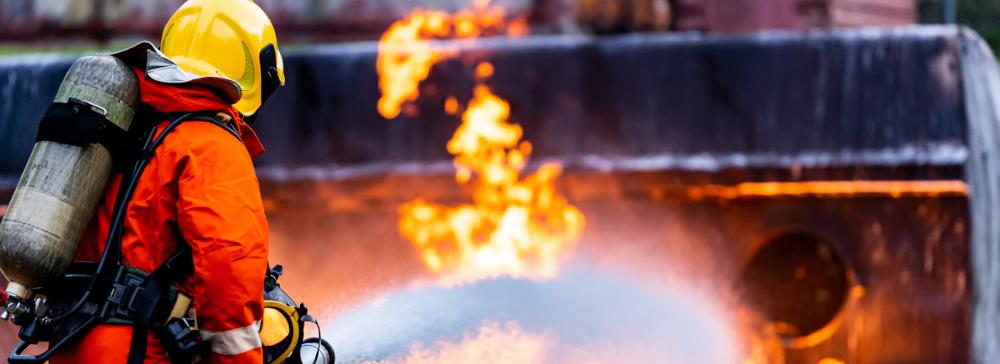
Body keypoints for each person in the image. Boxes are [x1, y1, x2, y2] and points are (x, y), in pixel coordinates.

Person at [50, 0, 284, 362]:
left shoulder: (125, 128)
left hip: (72, 341)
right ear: (253, 69)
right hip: (139, 350)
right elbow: (228, 265)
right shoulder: (210, 144)